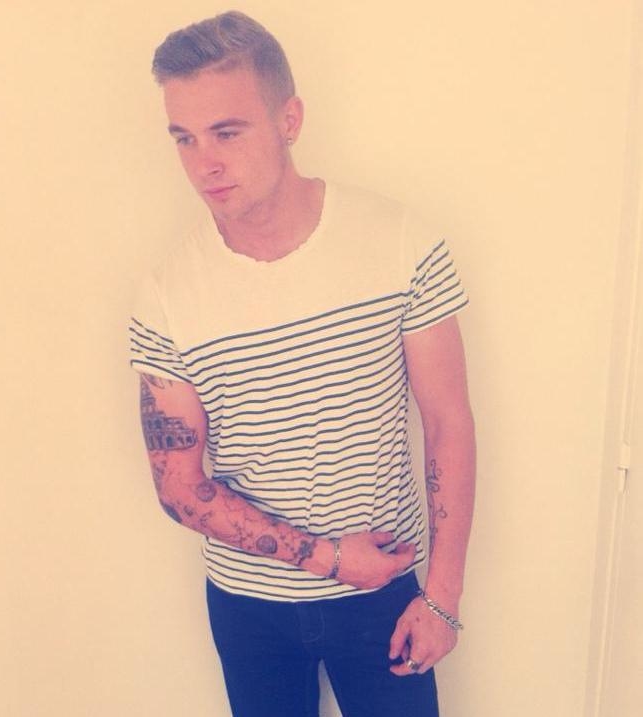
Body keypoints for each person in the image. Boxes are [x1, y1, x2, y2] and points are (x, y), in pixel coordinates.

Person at [129, 10, 475, 717]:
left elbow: (447, 421)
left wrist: (442, 596)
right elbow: (178, 486)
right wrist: (327, 557)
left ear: (289, 119)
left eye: (227, 132)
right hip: (249, 604)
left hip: (385, 591)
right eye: (184, 138)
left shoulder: (398, 242)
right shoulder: (167, 294)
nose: (204, 163)